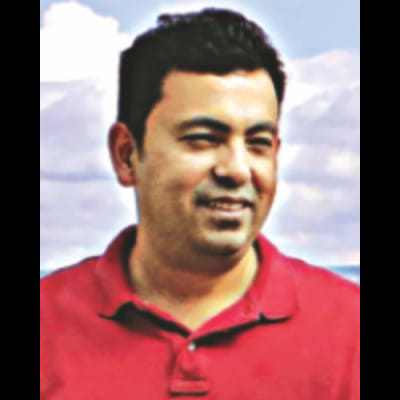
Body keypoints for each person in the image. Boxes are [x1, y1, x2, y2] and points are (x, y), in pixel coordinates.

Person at [40, 8, 360, 400]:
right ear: (126, 155)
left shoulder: (351, 332)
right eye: (204, 139)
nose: (237, 169)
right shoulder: (47, 326)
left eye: (258, 143)